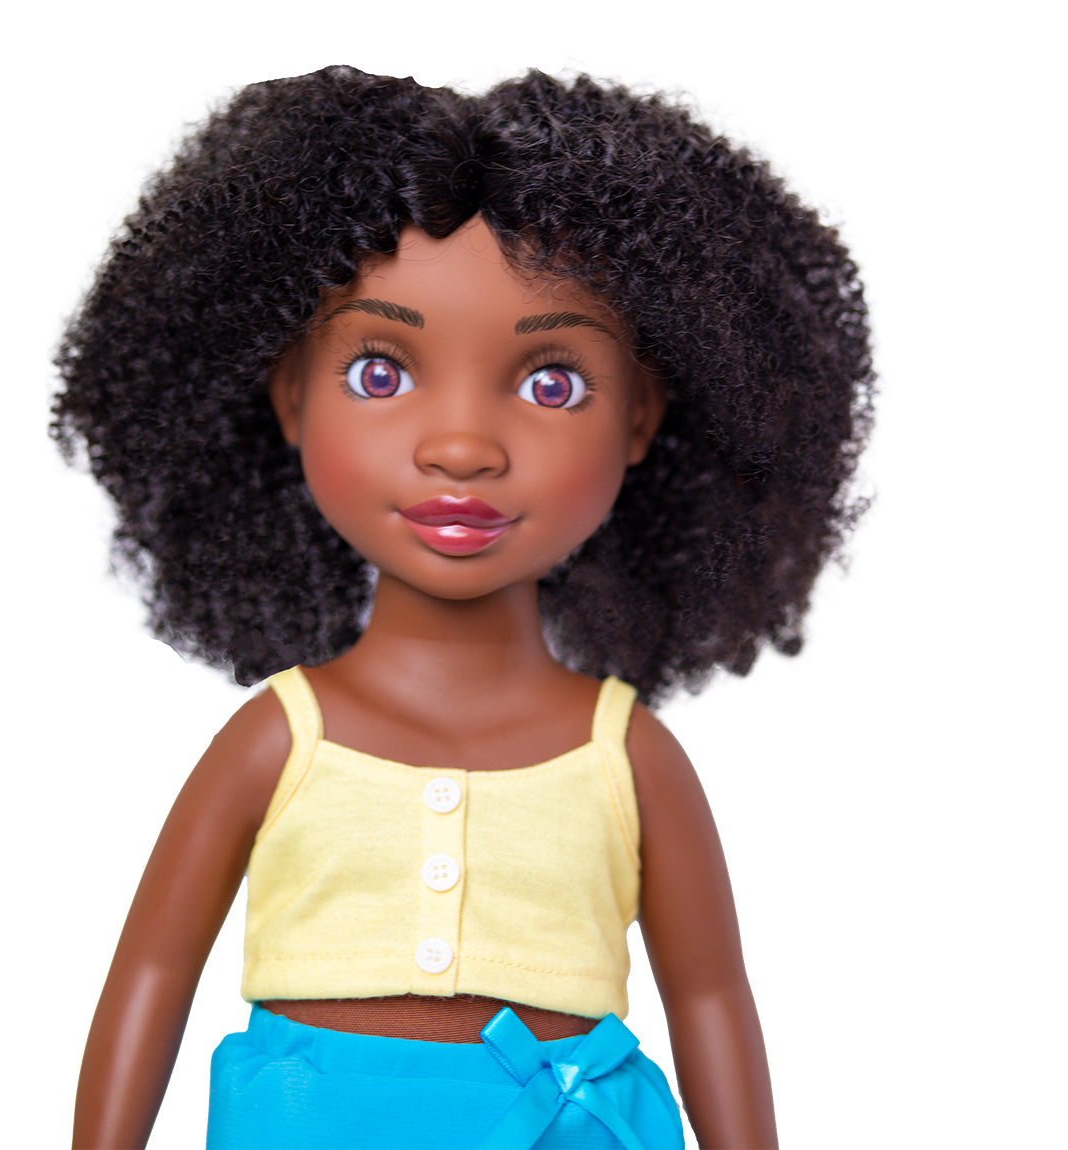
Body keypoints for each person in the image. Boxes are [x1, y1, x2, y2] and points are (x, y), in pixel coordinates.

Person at [54, 66, 873, 1149]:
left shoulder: (625, 758)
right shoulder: (278, 740)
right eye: (381, 372)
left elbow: (712, 1000)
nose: (461, 446)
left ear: (641, 417)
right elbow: (151, 975)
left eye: (550, 383)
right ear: (289, 392)